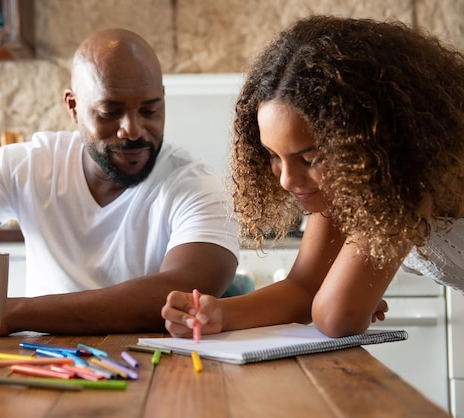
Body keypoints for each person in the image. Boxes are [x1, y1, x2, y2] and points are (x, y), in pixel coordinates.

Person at [0, 28, 239, 336]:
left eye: (150, 110)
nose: (132, 130)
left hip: (153, 372)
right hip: (41, 363)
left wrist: (12, 312)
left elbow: (177, 293)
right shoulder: (27, 164)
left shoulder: (198, 185)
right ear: (73, 107)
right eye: (109, 112)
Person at [162, 15, 464, 339]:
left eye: (309, 158)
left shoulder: (408, 176)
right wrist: (216, 313)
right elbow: (304, 288)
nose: (287, 180)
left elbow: (336, 316)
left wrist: (344, 297)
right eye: (274, 156)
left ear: (368, 139)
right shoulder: (345, 184)